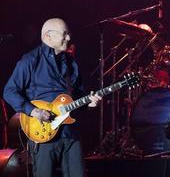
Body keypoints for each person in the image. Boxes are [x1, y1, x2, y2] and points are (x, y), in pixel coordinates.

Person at [3, 18, 102, 177]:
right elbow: (9, 91)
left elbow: (77, 96)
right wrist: (34, 111)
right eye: (64, 34)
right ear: (48, 36)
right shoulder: (30, 60)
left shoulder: (70, 62)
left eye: (68, 34)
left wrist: (88, 103)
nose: (69, 38)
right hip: (43, 133)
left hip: (70, 133)